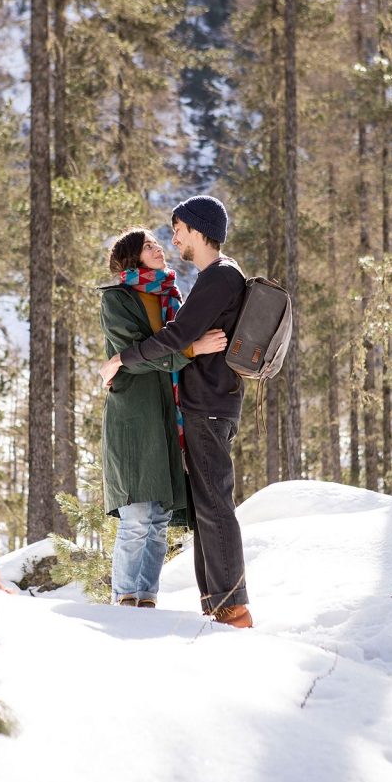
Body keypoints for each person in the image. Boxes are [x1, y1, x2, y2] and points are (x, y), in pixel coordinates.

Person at [99, 196, 252, 629]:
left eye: (178, 230)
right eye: (155, 241)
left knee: (211, 506)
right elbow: (183, 339)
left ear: (198, 230)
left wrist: (122, 359)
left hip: (206, 406)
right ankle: (216, 604)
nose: (172, 240)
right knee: (201, 508)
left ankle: (231, 607)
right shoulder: (200, 281)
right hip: (194, 406)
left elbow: (179, 334)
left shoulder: (216, 277)